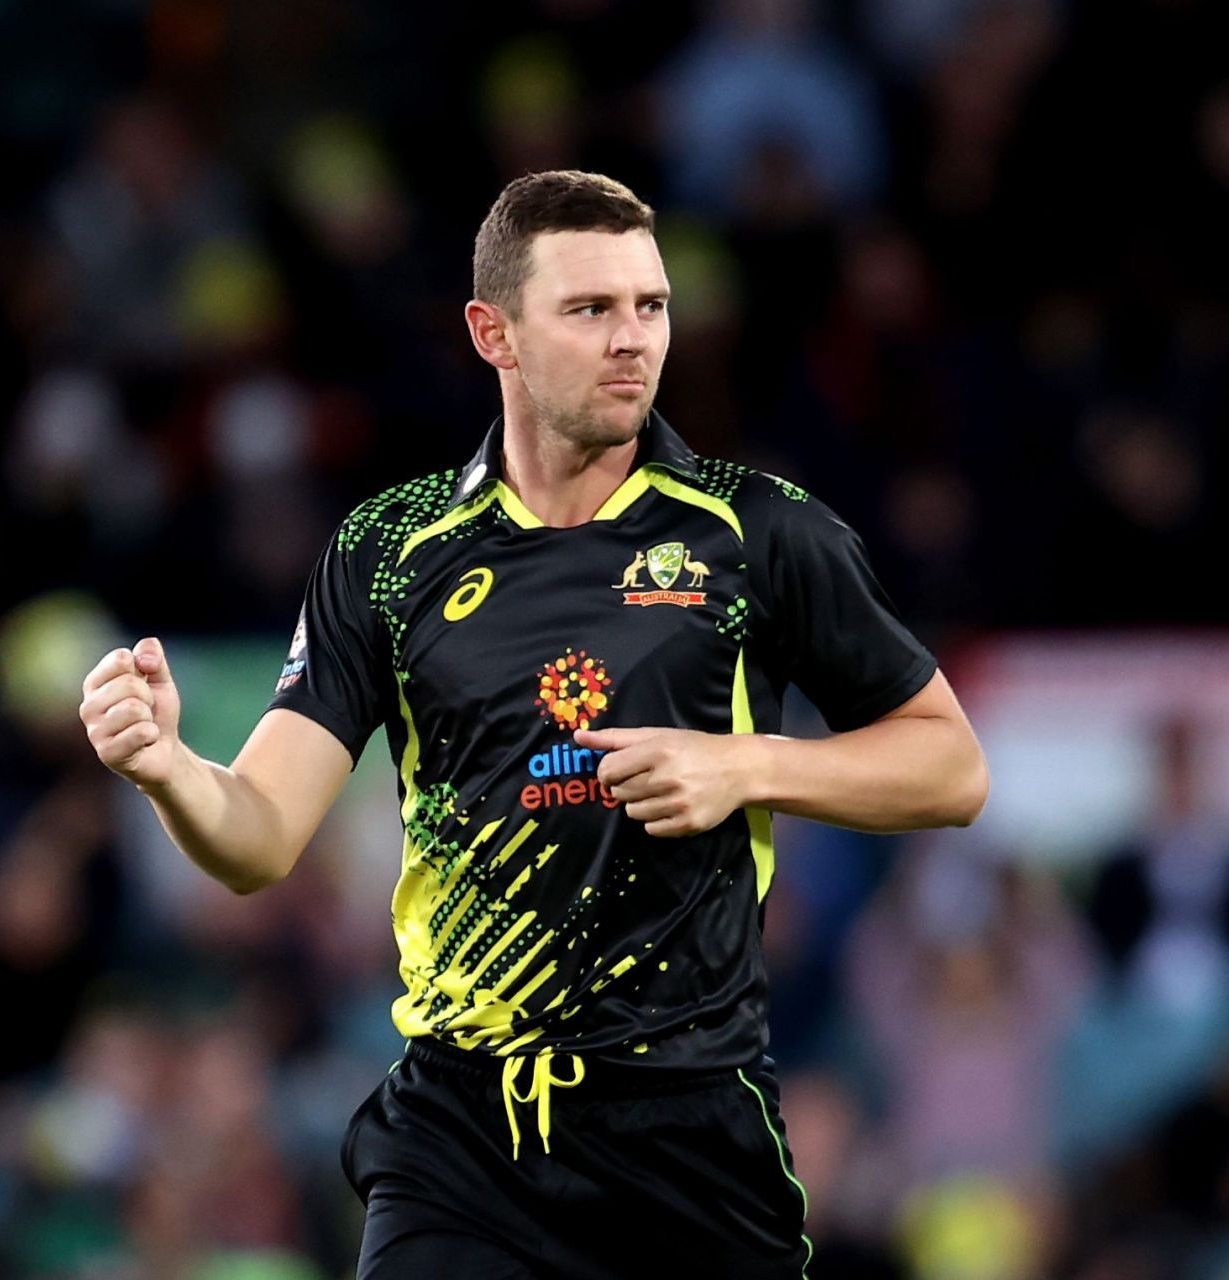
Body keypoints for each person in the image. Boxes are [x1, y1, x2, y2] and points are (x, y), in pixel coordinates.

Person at [79, 170, 989, 1279]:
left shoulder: (757, 532)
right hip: (463, 1130)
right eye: (591, 309)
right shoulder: (391, 546)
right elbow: (261, 835)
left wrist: (746, 764)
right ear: (492, 331)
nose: (633, 341)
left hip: (688, 1126)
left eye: (651, 307)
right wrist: (169, 767)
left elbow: (951, 764)